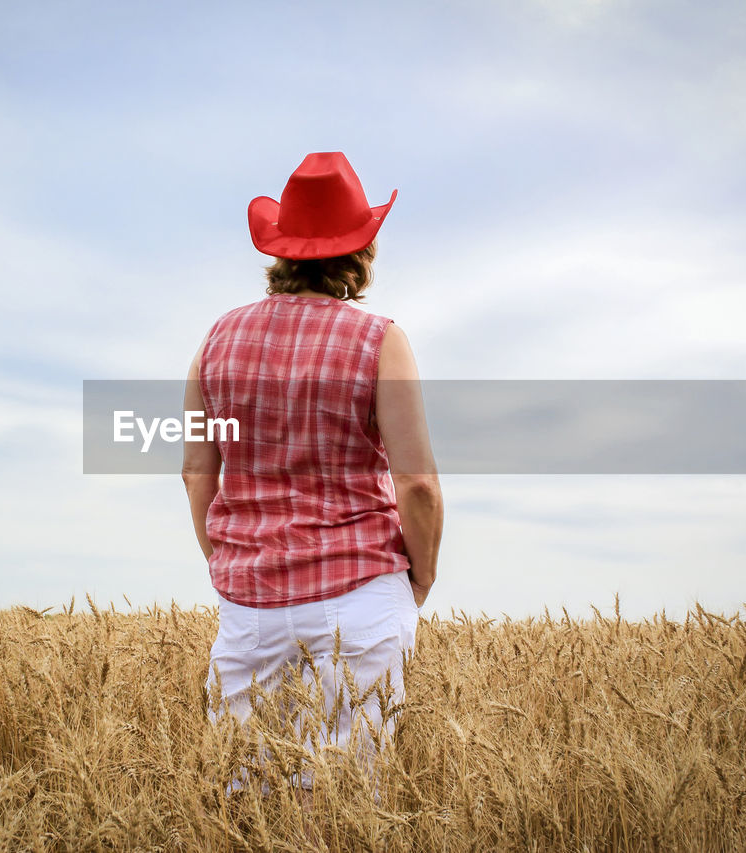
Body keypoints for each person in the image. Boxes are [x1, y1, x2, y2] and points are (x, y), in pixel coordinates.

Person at [182, 151, 443, 794]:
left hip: (249, 600)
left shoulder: (214, 342)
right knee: (355, 801)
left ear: (282, 251)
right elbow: (416, 483)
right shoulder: (382, 341)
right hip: (361, 591)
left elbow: (195, 471)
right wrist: (422, 575)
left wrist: (230, 559)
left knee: (243, 798)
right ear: (360, 251)